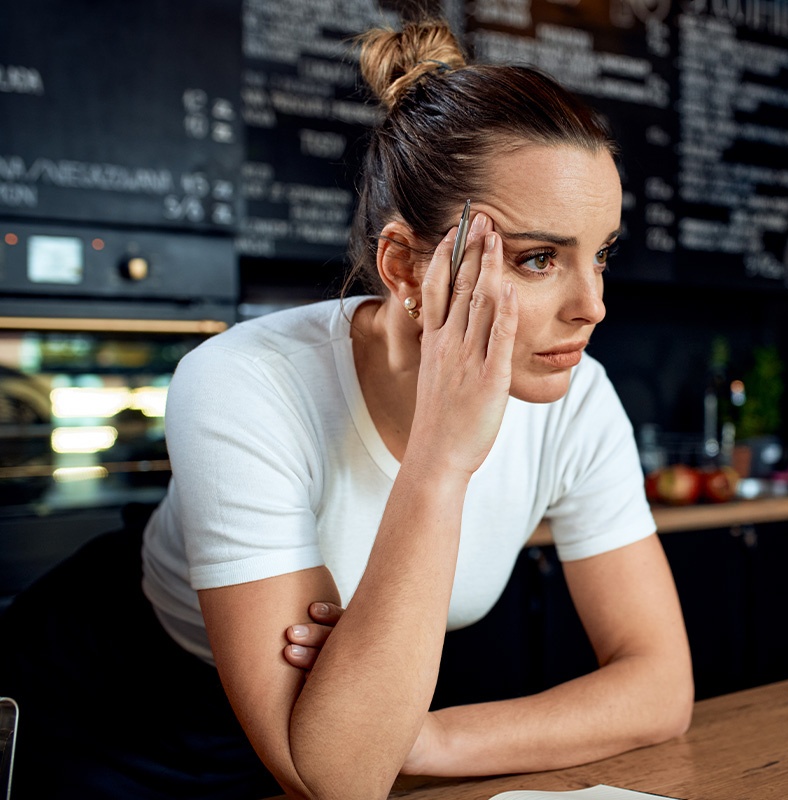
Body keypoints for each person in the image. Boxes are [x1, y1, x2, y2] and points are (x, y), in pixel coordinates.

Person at [0, 15, 694, 800]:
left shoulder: (576, 399)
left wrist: (415, 735)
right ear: (402, 266)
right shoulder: (242, 383)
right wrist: (441, 458)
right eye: (539, 259)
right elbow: (336, 776)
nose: (593, 305)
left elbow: (660, 687)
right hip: (119, 718)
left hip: (358, 726)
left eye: (599, 252)